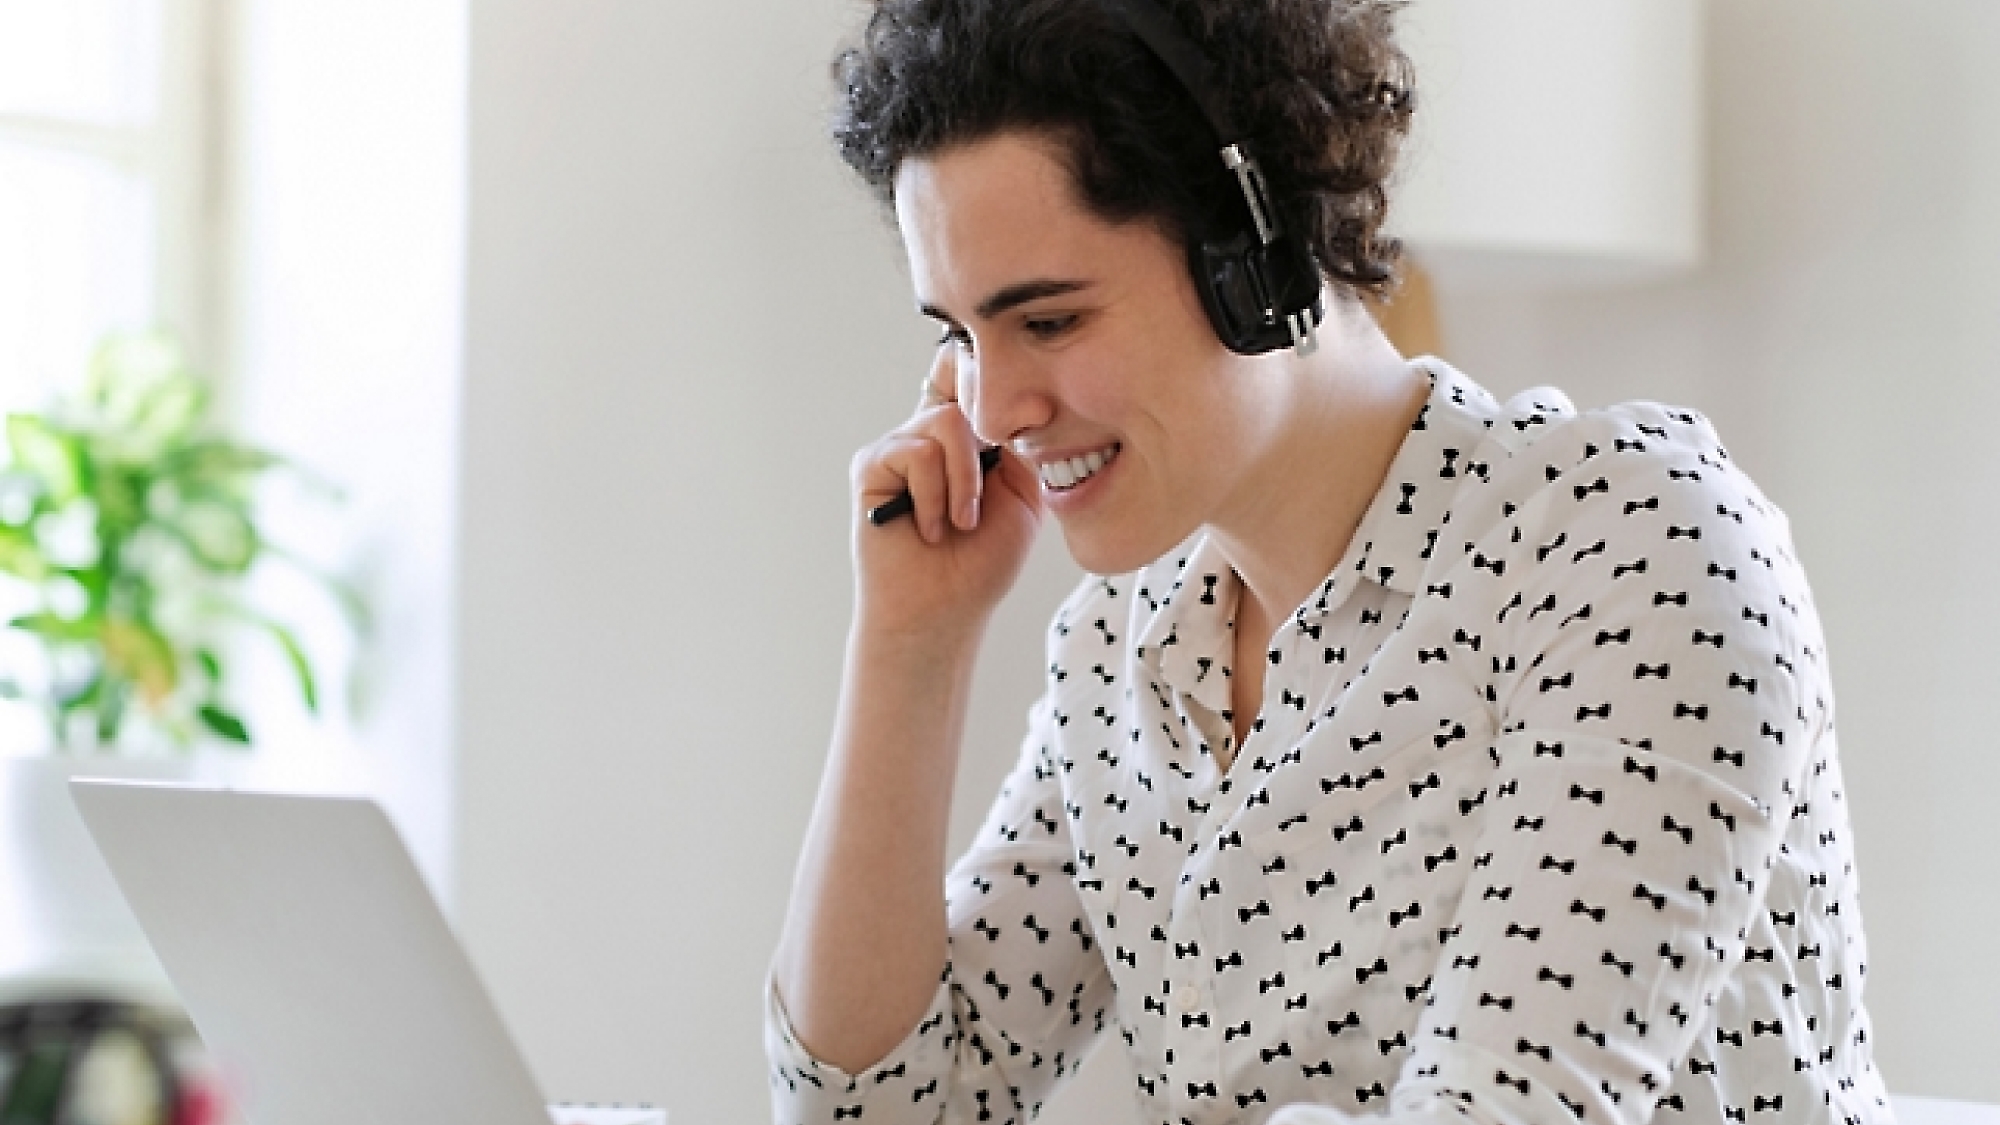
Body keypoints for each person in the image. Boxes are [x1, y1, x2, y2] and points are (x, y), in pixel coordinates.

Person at [767, 1, 1894, 1122]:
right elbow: (878, 1112)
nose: (993, 407)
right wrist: (911, 646)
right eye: (958, 334)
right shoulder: (1121, 650)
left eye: (1048, 323)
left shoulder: (1623, 544)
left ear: (1254, 253)